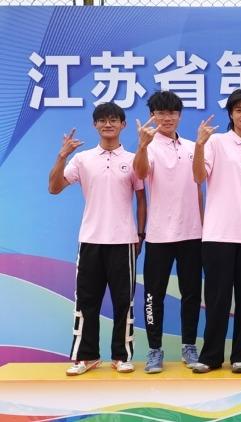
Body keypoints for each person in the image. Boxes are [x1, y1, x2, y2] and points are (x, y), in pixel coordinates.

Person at [48, 102, 146, 376]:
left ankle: (121, 356)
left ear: (123, 125)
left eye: (113, 119)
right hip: (90, 240)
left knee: (123, 302)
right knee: (86, 301)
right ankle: (86, 356)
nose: (108, 124)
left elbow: (142, 199)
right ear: (95, 125)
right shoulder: (82, 159)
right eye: (102, 120)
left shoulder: (133, 159)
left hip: (124, 241)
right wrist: (62, 156)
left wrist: (140, 234)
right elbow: (54, 187)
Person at [191, 88, 241, 374]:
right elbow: (198, 176)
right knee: (217, 299)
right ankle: (211, 356)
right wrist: (200, 145)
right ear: (231, 114)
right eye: (238, 110)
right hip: (218, 234)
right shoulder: (216, 142)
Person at [133, 91, 203, 373]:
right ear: (153, 115)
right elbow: (140, 174)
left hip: (192, 233)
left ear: (179, 115)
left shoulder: (192, 147)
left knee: (192, 294)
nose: (167, 118)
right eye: (161, 113)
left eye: (172, 112)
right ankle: (154, 350)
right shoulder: (149, 147)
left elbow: (198, 186)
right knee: (154, 295)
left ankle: (189, 346)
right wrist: (141, 146)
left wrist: (203, 224)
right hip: (160, 234)